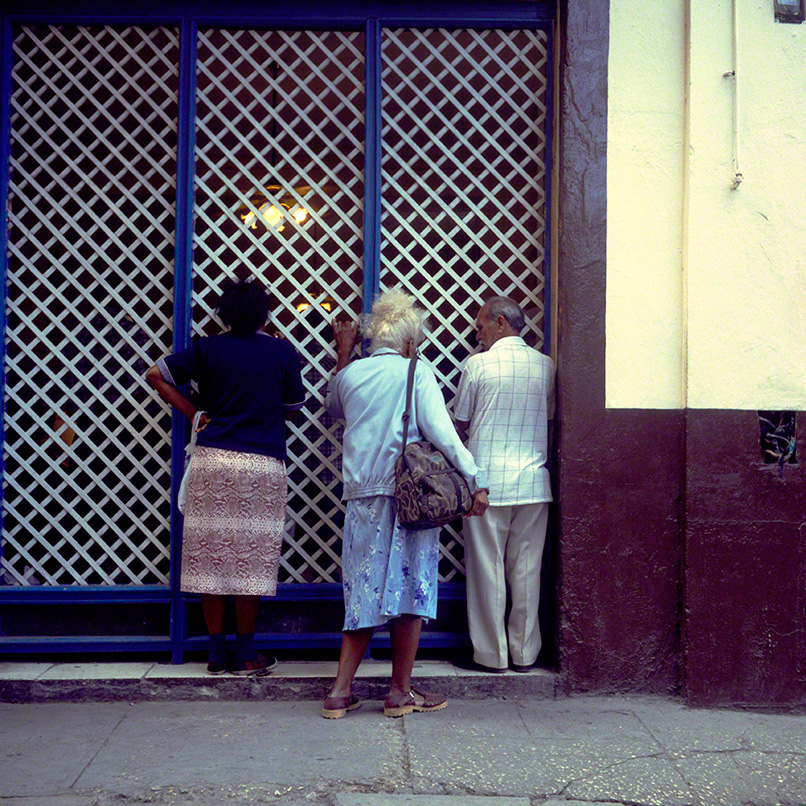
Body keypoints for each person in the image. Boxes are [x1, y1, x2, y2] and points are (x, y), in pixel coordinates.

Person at [322, 288, 489, 719]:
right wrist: (476, 481)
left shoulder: (350, 375)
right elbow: (444, 435)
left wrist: (343, 352)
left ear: (372, 340)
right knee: (411, 590)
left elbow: (332, 407)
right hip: (409, 498)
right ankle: (398, 692)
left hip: (362, 498)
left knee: (362, 589)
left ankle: (340, 692)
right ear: (410, 342)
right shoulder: (418, 371)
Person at [145, 279, 305, 675]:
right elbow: (293, 408)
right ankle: (247, 654)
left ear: (224, 314)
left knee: (209, 558)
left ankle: (216, 653)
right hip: (261, 466)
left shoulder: (208, 348)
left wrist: (195, 414)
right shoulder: (282, 351)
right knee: (252, 560)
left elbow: (155, 375)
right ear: (265, 314)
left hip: (212, 460)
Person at [454, 296, 555, 673]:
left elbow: (460, 421)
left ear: (499, 322)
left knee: (487, 570)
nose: (476, 333)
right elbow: (547, 419)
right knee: (527, 571)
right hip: (532, 482)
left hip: (488, 484)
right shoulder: (546, 367)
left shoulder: (478, 365)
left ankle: (491, 655)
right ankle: (525, 654)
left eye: (480, 326)